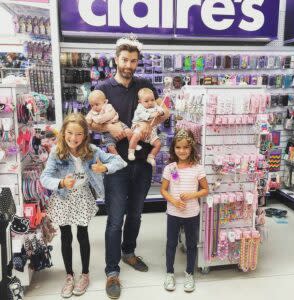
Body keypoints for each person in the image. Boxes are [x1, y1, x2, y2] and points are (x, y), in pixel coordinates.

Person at [90, 35, 170, 299]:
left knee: (135, 214)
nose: (128, 65)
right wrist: (108, 126)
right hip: (114, 164)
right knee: (115, 218)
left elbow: (164, 112)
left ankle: (128, 253)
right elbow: (87, 122)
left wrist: (153, 121)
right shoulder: (102, 88)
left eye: (133, 61)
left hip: (143, 160)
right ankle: (112, 271)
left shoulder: (145, 86)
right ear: (116, 59)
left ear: (137, 62)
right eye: (124, 59)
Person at [40, 113, 127, 298]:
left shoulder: (92, 151)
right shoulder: (57, 152)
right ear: (64, 133)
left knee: (82, 234)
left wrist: (104, 168)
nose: (74, 138)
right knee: (65, 236)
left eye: (79, 134)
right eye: (70, 133)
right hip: (63, 197)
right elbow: (44, 178)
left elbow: (120, 161)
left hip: (82, 198)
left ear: (85, 135)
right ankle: (69, 275)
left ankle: (85, 274)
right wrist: (62, 182)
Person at [160, 129, 209, 293]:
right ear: (174, 148)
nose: (182, 151)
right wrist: (173, 200)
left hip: (191, 213)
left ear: (191, 148)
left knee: (191, 244)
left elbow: (205, 190)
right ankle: (169, 272)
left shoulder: (197, 168)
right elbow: (163, 190)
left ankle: (189, 273)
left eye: (186, 147)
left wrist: (192, 195)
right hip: (173, 213)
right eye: (178, 147)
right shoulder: (170, 168)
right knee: (171, 243)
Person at [85, 90, 135, 154]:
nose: (94, 107)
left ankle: (132, 147)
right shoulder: (92, 111)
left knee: (129, 132)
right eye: (92, 105)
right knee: (110, 147)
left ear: (104, 102)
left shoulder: (108, 106)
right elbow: (87, 121)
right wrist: (88, 121)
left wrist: (98, 120)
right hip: (106, 132)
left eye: (97, 104)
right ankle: (117, 159)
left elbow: (110, 115)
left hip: (117, 123)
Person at [128, 87, 164, 166]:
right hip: (138, 127)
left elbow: (161, 110)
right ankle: (131, 151)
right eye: (146, 101)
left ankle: (151, 156)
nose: (150, 102)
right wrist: (152, 115)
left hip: (151, 131)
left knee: (158, 144)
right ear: (140, 102)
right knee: (135, 136)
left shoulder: (154, 105)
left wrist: (161, 112)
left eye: (152, 100)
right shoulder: (140, 107)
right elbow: (142, 115)